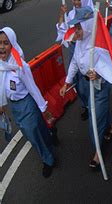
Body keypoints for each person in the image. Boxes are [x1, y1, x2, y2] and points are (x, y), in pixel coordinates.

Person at [59, 7, 112, 170]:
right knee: (99, 114)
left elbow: (111, 66)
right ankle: (111, 125)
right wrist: (66, 83)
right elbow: (75, 63)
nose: (76, 31)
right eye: (76, 27)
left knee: (93, 123)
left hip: (99, 88)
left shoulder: (100, 44)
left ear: (89, 25)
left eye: (79, 27)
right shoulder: (80, 42)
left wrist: (98, 75)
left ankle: (98, 152)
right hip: (85, 85)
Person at [0, 27, 56, 177]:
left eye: (5, 43)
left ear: (12, 44)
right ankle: (51, 135)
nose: (1, 47)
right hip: (14, 107)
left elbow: (32, 88)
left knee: (33, 134)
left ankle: (49, 160)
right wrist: (1, 104)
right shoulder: (1, 64)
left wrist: (44, 109)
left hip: (27, 105)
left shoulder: (20, 67)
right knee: (33, 132)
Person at [57, 0, 94, 120]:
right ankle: (85, 105)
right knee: (77, 81)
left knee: (87, 81)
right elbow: (63, 31)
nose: (76, 2)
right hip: (75, 49)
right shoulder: (71, 15)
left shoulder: (91, 16)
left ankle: (93, 106)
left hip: (88, 50)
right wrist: (62, 14)